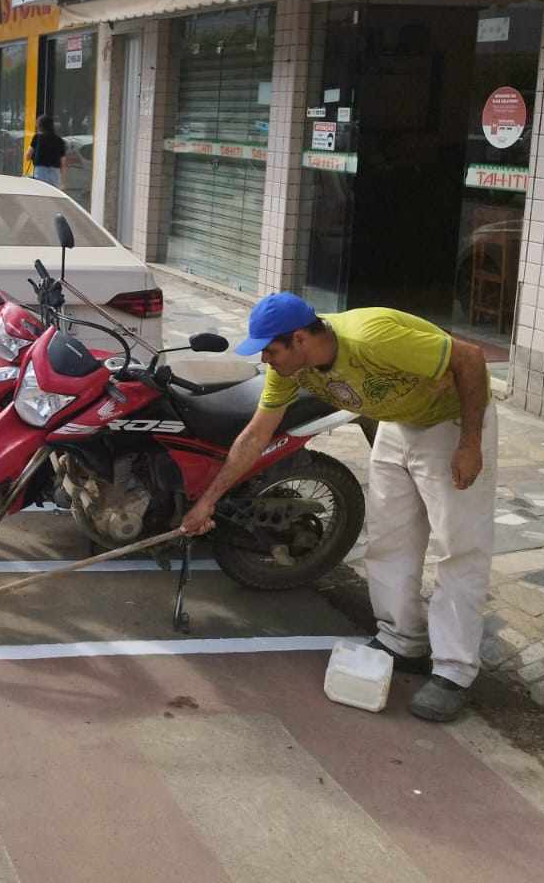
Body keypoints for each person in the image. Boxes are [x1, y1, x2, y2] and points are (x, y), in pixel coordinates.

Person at [181, 293, 496, 722]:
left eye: (272, 351)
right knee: (388, 535)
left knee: (459, 545)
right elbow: (255, 436)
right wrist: (208, 501)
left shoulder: (371, 337)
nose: (268, 362)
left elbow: (471, 359)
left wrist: (470, 443)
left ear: (299, 339)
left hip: (449, 421)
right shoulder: (292, 370)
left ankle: (454, 671)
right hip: (399, 422)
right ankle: (401, 640)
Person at [27, 113, 66, 186]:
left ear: (39, 126)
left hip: (40, 172)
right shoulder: (60, 140)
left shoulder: (37, 137)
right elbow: (62, 163)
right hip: (55, 174)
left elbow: (28, 155)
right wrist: (62, 181)